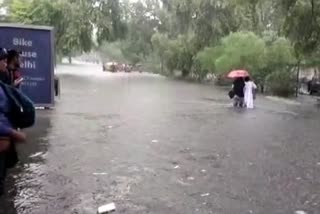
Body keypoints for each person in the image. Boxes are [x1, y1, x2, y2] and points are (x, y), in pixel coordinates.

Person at [0, 48, 26, 196]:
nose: (4, 64)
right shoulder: (4, 76)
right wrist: (11, 132)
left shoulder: (7, 73)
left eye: (5, 60)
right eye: (2, 61)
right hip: (4, 132)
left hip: (6, 129)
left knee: (7, 164)